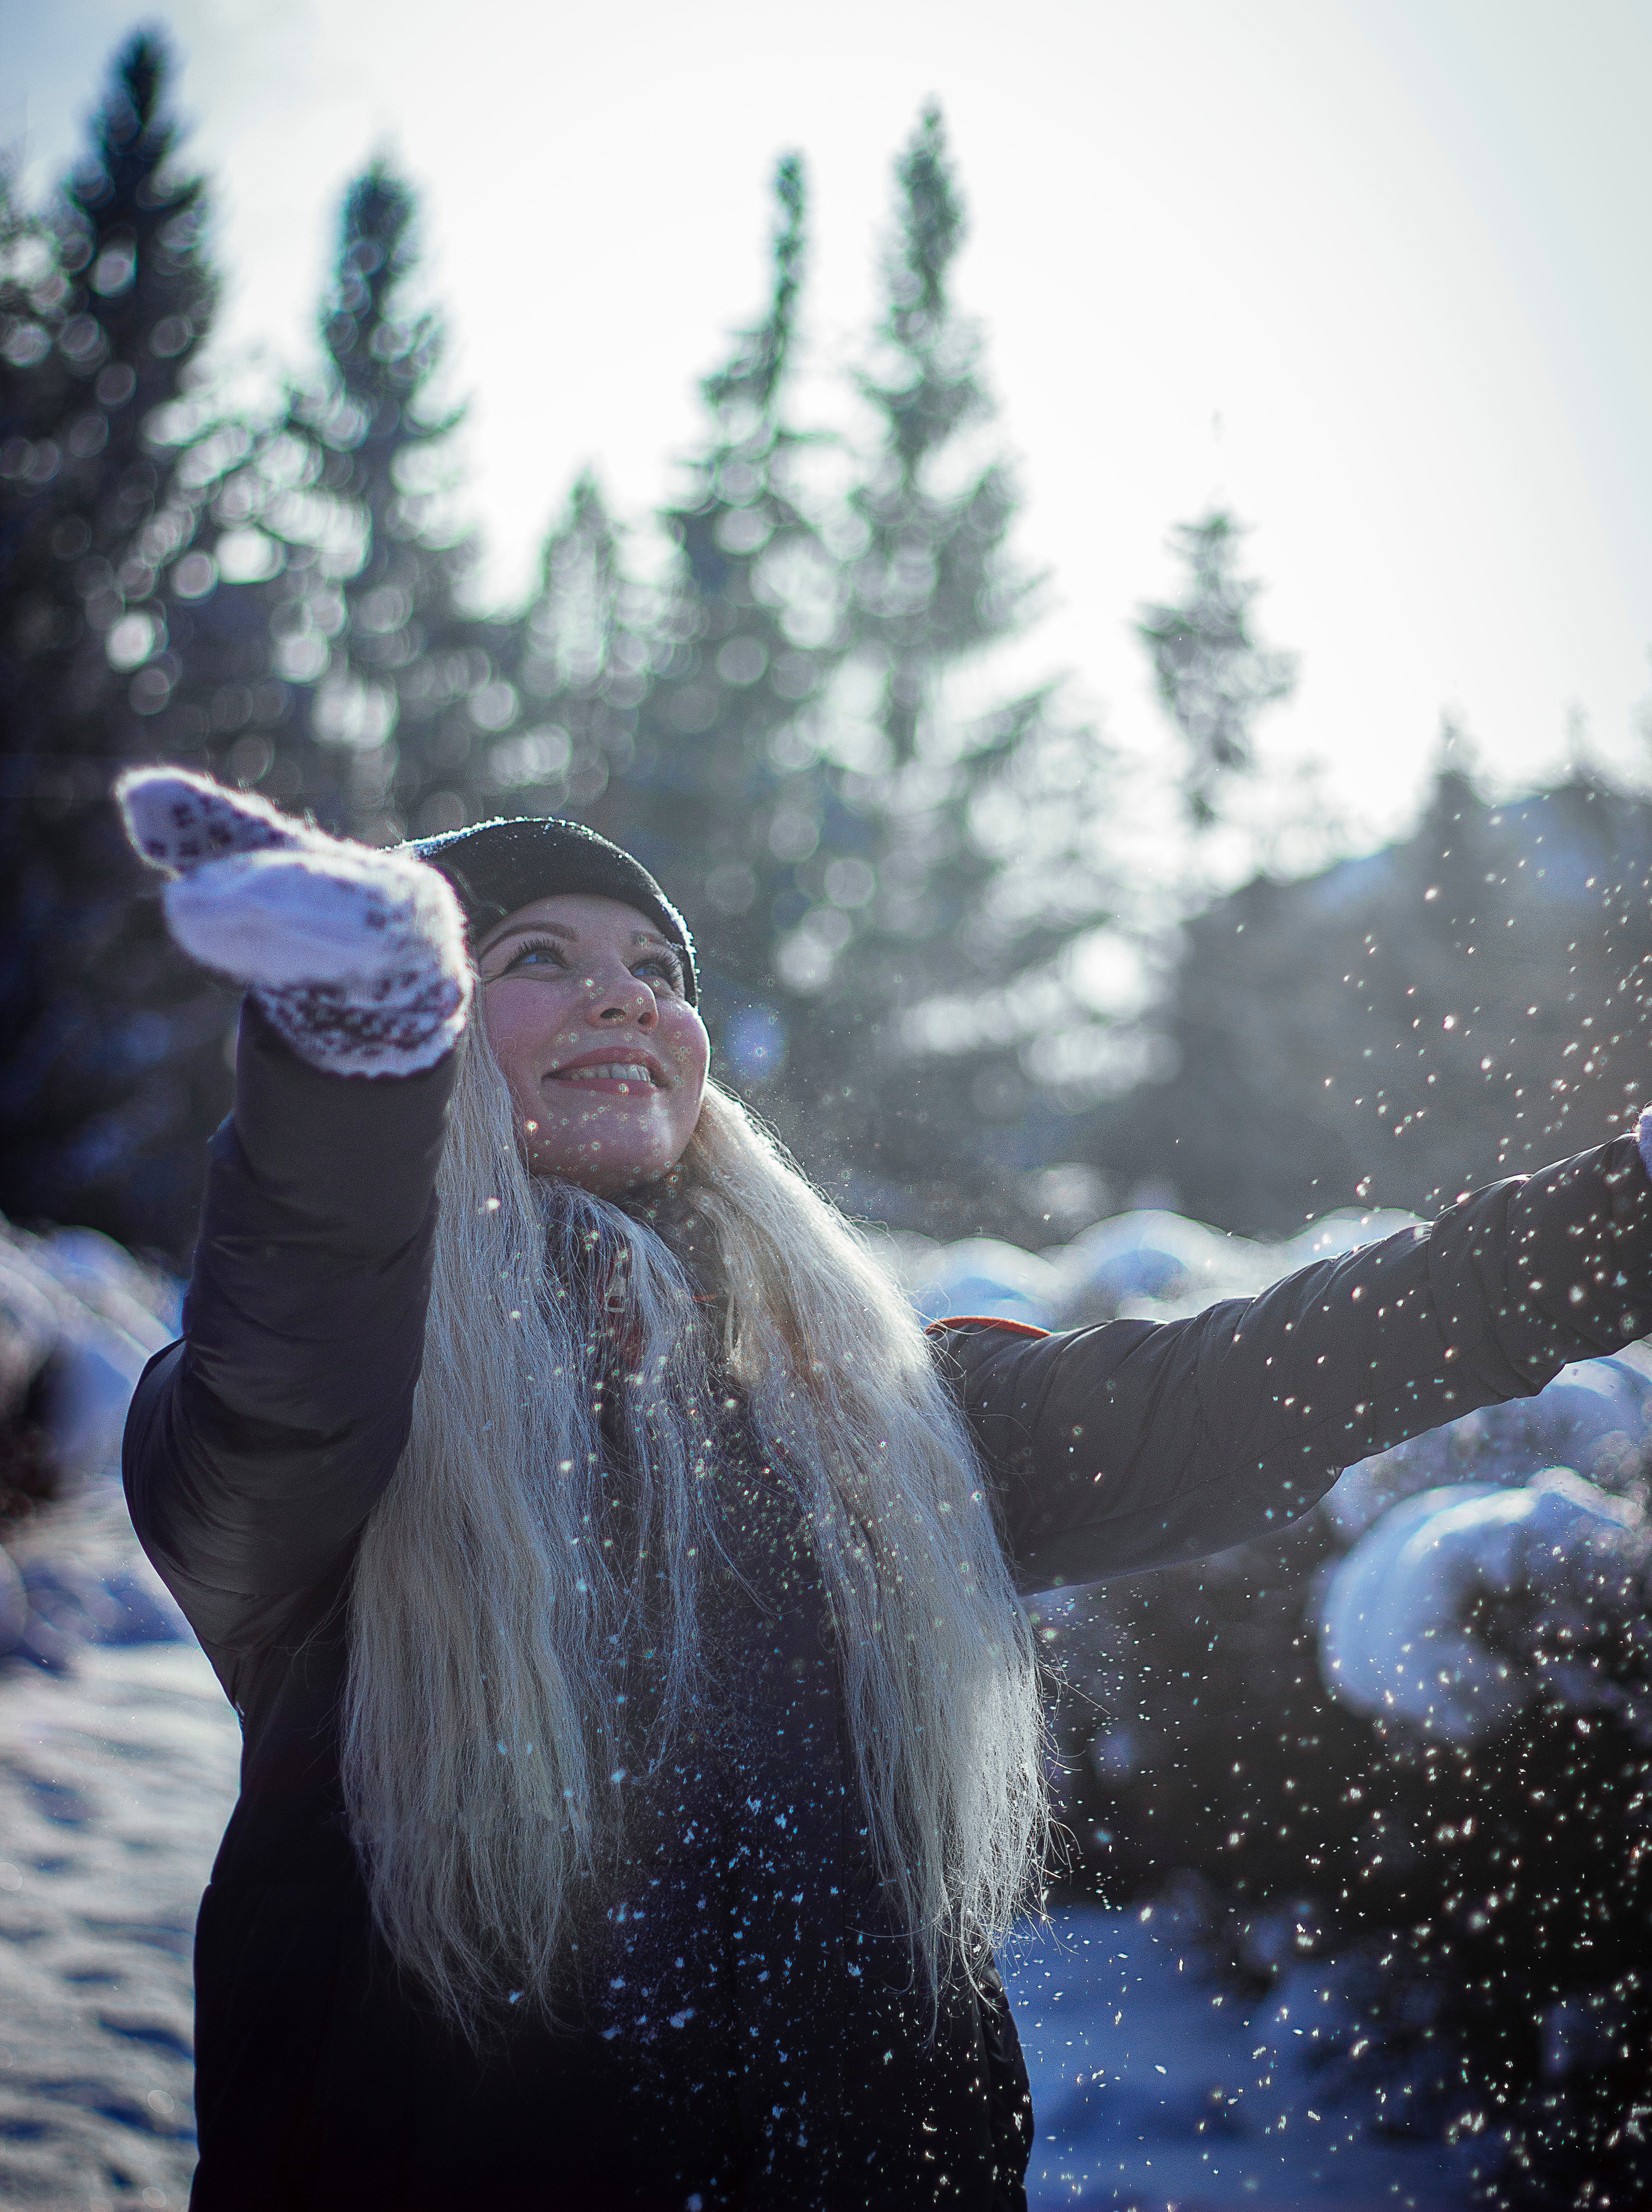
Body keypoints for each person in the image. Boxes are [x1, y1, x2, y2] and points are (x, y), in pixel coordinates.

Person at [116, 765, 1652, 2212]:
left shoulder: (873, 1419)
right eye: (527, 956)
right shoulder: (320, 1448)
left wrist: (1623, 1216)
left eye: (657, 969)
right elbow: (299, 1326)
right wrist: (346, 1064)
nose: (624, 994)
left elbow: (1239, 1387)